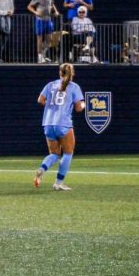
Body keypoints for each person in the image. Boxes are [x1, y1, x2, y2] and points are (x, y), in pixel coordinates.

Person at [33, 63, 85, 191]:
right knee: (68, 153)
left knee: (55, 154)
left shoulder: (50, 85)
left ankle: (42, 168)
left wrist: (52, 107)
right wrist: (84, 105)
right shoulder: (74, 87)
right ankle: (58, 183)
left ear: (59, 73)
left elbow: (40, 100)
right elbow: (79, 108)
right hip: (63, 123)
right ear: (72, 73)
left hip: (48, 122)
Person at [29, 0, 61, 65]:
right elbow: (29, 6)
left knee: (49, 40)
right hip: (40, 20)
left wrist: (56, 11)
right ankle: (40, 57)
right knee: (39, 38)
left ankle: (43, 54)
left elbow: (52, 4)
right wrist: (36, 12)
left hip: (48, 19)